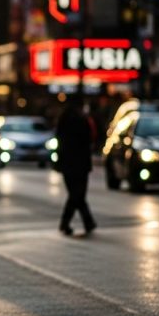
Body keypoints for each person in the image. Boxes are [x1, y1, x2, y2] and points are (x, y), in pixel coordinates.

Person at [56, 99, 97, 236]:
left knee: (76, 194)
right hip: (80, 163)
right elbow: (90, 139)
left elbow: (58, 140)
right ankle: (72, 222)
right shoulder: (83, 120)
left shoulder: (63, 120)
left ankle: (84, 222)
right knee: (78, 194)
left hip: (68, 162)